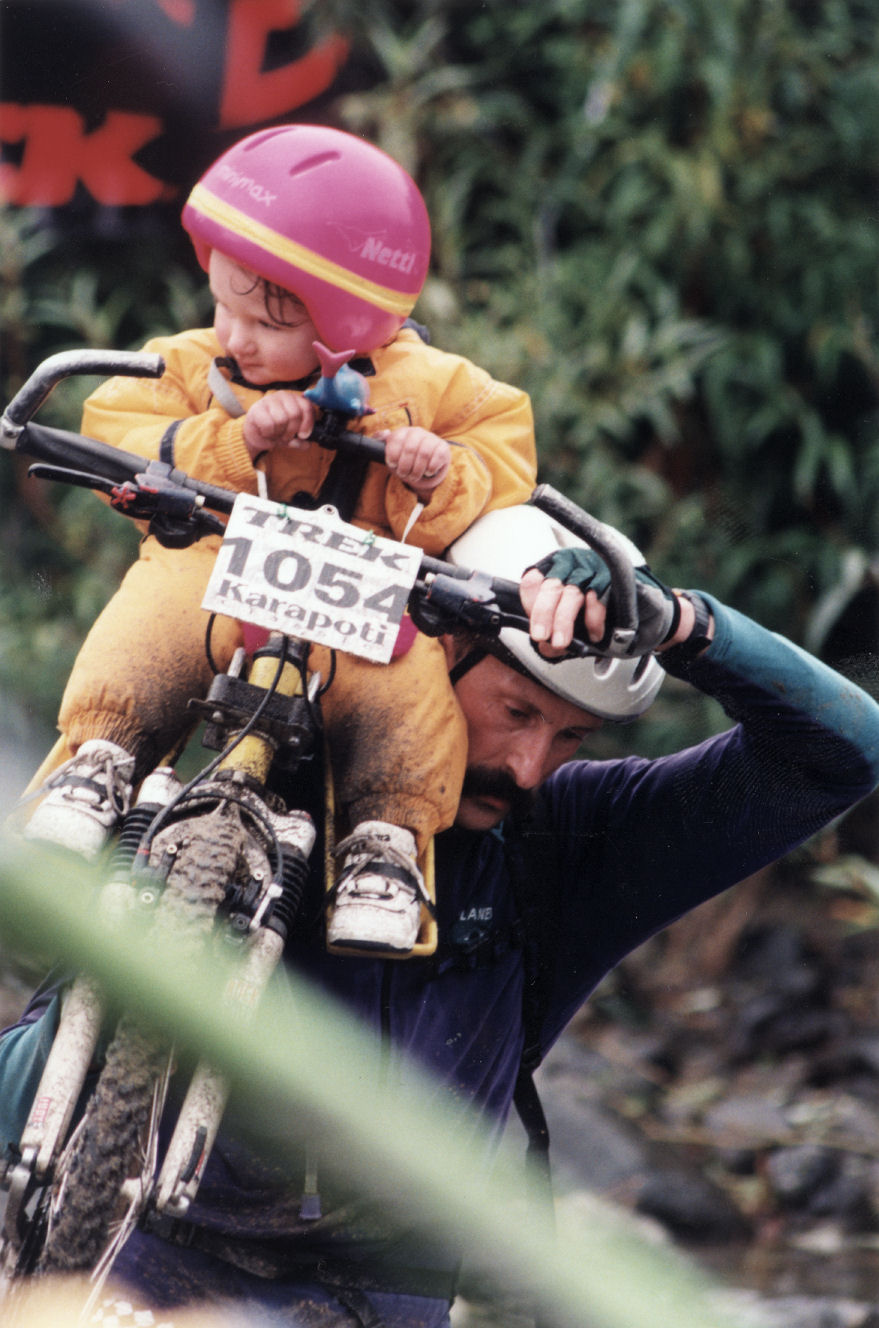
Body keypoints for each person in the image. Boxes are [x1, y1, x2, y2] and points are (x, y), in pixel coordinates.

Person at [4, 502, 879, 1328]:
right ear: (434, 658)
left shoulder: (569, 845)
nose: (531, 766)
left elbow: (843, 753)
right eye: (515, 713)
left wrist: (686, 625)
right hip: (141, 1267)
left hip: (379, 1296)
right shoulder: (253, 793)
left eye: (569, 736)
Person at [22, 123, 538, 957]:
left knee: (407, 695)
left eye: (265, 319)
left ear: (347, 324)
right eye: (223, 303)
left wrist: (435, 472)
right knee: (154, 615)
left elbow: (503, 461)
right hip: (217, 567)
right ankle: (103, 758)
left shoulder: (438, 389)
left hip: (365, 604)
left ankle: (384, 844)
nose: (235, 335)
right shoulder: (197, 366)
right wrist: (230, 446)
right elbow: (115, 423)